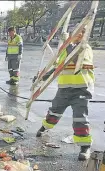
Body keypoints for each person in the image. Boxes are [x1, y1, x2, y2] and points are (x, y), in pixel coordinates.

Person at [36, 27, 94, 161]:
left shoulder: (85, 48)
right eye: (74, 32)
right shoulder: (66, 49)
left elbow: (76, 61)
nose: (75, 34)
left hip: (81, 89)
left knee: (80, 118)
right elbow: (59, 66)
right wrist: (43, 77)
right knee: (55, 110)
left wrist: (67, 46)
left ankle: (84, 147)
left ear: (83, 36)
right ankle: (45, 126)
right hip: (64, 89)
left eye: (78, 33)